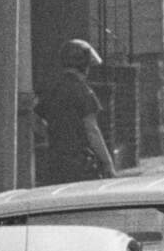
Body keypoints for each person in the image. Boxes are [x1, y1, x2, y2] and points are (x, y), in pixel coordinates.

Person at [35, 39, 115, 185]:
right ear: (84, 65)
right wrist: (107, 161)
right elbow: (92, 130)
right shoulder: (83, 91)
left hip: (55, 161)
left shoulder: (53, 89)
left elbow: (35, 120)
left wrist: (52, 135)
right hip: (80, 162)